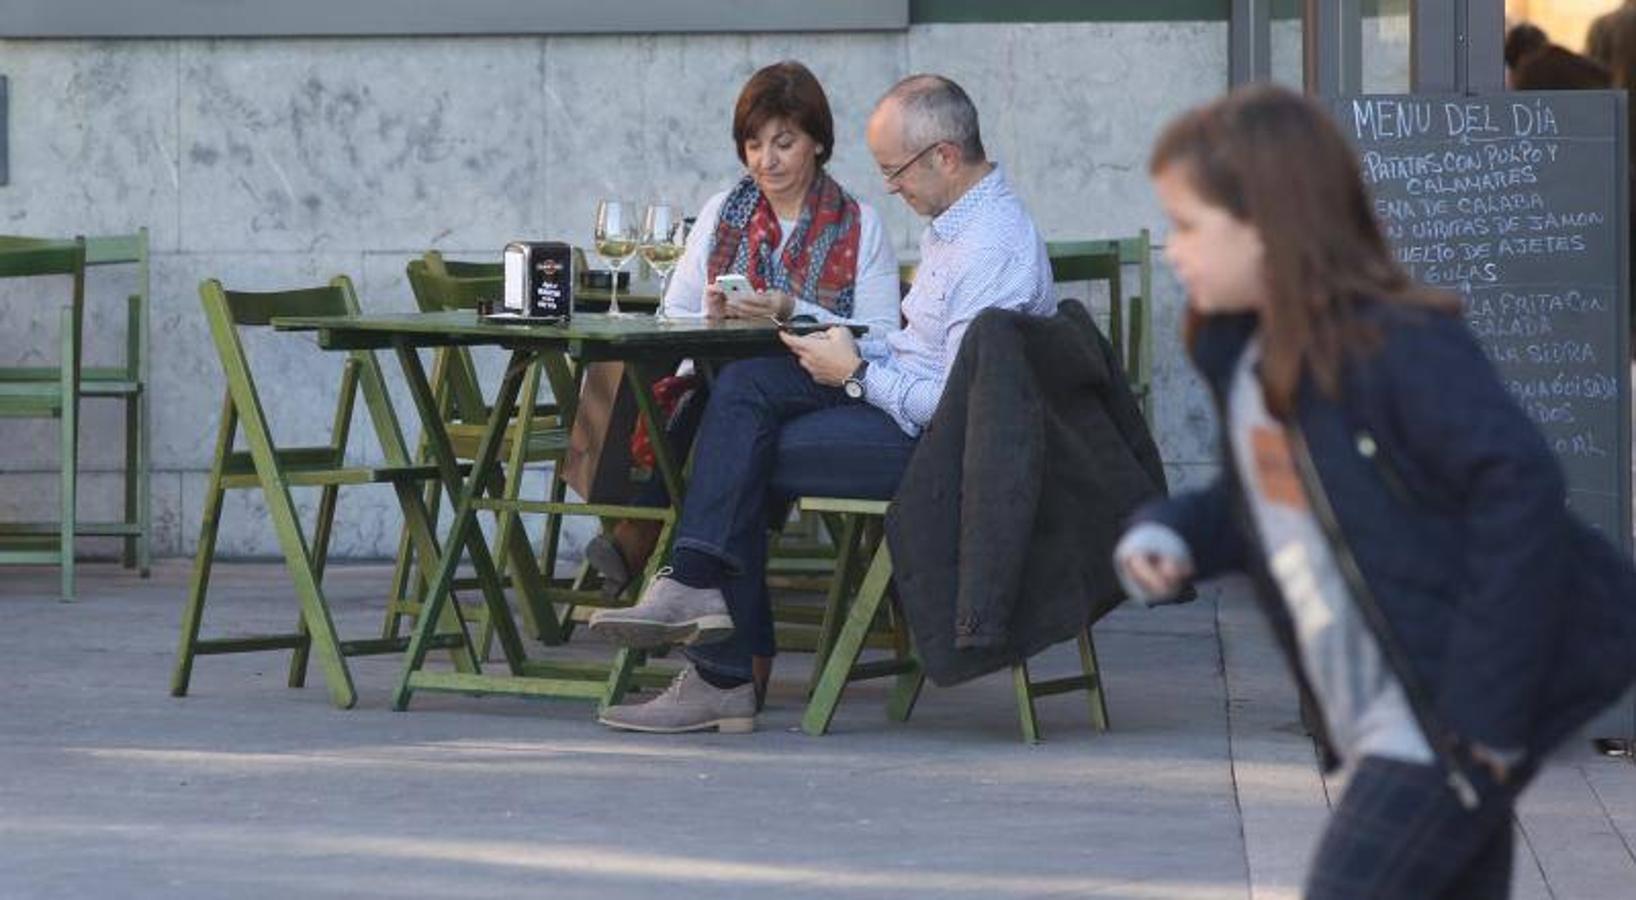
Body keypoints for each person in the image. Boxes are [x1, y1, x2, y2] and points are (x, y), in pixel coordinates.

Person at [1114, 85, 1636, 898]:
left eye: (1188, 225)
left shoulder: (1393, 342)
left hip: (1440, 721)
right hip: (1394, 722)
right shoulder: (1247, 357)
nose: (1173, 249)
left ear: (1268, 225)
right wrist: (1174, 531)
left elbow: (1520, 486)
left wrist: (1485, 718)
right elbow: (1268, 502)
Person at [587, 73, 1058, 734]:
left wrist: (859, 371)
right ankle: (696, 598)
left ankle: (720, 669)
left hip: (937, 447)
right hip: (894, 398)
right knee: (744, 389)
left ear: (944, 157)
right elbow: (915, 349)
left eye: (896, 171)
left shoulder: (989, 248)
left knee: (736, 445)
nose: (891, 186)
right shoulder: (956, 227)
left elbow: (956, 408)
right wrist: (806, 320)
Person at [582, 60, 902, 604]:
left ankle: (650, 539)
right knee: (725, 386)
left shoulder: (860, 223)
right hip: (728, 383)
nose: (766, 161)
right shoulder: (722, 211)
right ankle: (697, 591)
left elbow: (880, 339)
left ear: (818, 143)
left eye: (783, 143)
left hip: (821, 388)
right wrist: (712, 315)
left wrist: (791, 307)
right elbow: (674, 311)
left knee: (732, 389)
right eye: (753, 145)